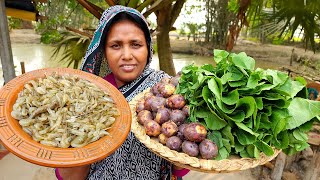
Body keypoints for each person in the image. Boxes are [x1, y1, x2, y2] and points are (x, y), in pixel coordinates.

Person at [55, 5, 189, 180]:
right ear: (104, 51)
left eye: (136, 44)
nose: (127, 55)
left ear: (148, 48)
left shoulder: (166, 91)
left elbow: (180, 167)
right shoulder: (88, 95)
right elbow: (71, 176)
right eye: (116, 45)